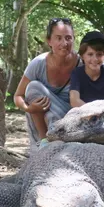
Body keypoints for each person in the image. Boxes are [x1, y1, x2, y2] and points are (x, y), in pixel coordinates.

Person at [14, 18, 81, 152]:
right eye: (58, 38)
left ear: (74, 39)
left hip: (68, 120)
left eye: (68, 38)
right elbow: (18, 96)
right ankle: (44, 141)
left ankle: (57, 140)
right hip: (41, 122)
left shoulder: (83, 64)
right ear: (49, 41)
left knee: (52, 116)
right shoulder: (38, 64)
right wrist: (28, 108)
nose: (64, 43)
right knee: (33, 87)